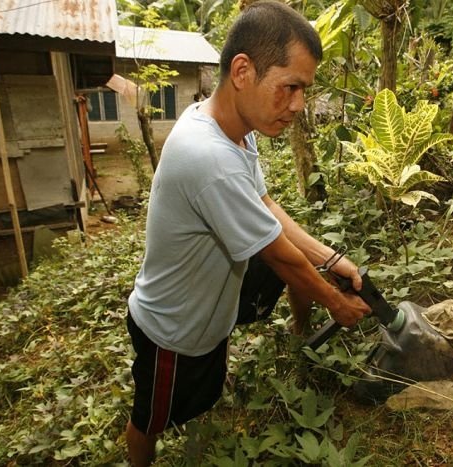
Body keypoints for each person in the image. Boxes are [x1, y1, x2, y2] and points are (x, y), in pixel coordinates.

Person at [124, 2, 371, 465]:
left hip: (211, 305)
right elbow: (280, 255)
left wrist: (333, 260)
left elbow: (265, 206)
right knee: (150, 420)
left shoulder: (233, 128)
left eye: (304, 89)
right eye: (290, 87)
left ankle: (295, 334)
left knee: (214, 376)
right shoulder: (207, 155)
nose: (298, 105)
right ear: (242, 71)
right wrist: (336, 303)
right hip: (173, 330)